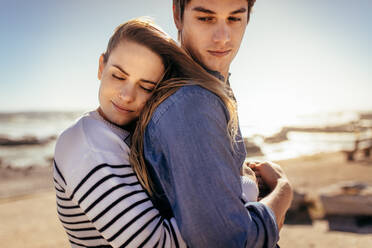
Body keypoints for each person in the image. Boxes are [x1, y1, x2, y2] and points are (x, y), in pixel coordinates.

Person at [53, 18, 259, 248]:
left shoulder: (136, 135)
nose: (127, 95)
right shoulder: (87, 142)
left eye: (146, 86)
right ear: (101, 66)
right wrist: (246, 187)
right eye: (118, 76)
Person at [129, 0, 293, 247]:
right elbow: (230, 242)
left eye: (234, 19)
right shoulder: (193, 102)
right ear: (177, 14)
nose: (222, 38)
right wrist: (283, 191)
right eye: (206, 19)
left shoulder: (211, 88)